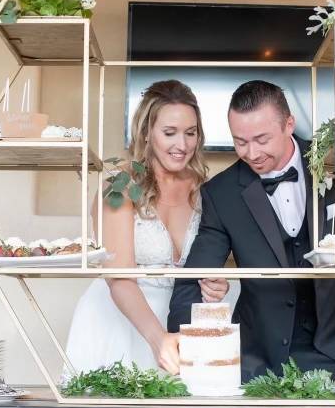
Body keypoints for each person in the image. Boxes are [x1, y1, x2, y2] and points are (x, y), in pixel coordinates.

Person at [167, 80, 335, 386]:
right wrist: (181, 336)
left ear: (289, 124)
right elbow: (195, 274)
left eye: (261, 139)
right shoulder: (221, 193)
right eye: (240, 141)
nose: (251, 152)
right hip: (258, 357)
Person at [65, 80, 229, 375]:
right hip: (122, 323)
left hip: (182, 323)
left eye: (190, 133)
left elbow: (213, 260)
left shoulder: (207, 191)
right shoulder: (119, 187)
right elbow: (119, 278)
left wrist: (216, 283)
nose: (182, 145)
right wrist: (159, 340)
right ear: (146, 133)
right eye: (170, 133)